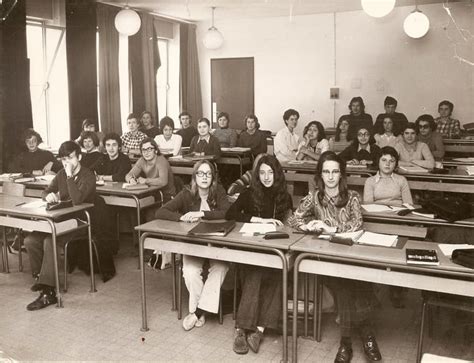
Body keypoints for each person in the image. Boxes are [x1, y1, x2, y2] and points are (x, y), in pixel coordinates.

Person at [289, 151, 382, 363]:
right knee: (345, 284)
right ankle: (366, 337)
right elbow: (292, 219)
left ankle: (346, 342)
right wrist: (307, 225)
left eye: (335, 172)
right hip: (324, 262)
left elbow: (357, 223)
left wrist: (330, 228)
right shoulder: (314, 198)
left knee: (350, 284)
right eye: (326, 172)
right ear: (320, 175)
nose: (330, 177)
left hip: (351, 259)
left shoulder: (352, 198)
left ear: (341, 175)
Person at [226, 154, 293, 355]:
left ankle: (259, 331)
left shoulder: (284, 196)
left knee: (276, 274)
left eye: (270, 172)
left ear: (277, 174)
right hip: (250, 251)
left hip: (274, 251)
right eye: (262, 173)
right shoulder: (249, 193)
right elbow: (231, 214)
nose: (266, 177)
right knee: (255, 273)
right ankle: (241, 330)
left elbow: (289, 225)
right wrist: (257, 220)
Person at [154, 160, 231, 331]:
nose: (204, 177)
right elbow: (161, 211)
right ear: (194, 176)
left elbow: (227, 212)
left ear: (213, 177)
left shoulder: (218, 191)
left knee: (220, 268)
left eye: (208, 174)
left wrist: (202, 213)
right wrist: (180, 217)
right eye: (200, 173)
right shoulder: (186, 193)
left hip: (216, 245)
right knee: (189, 271)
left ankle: (196, 313)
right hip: (193, 245)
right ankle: (202, 312)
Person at [24, 141, 96, 311]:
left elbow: (78, 200)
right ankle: (42, 279)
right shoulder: (61, 174)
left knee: (50, 241)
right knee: (30, 240)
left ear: (79, 157)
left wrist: (70, 176)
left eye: (70, 158)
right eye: (63, 159)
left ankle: (49, 293)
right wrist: (47, 196)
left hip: (80, 221)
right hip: (60, 218)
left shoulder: (88, 175)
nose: (66, 163)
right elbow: (45, 191)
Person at [125, 138, 176, 203]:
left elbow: (163, 181)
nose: (146, 153)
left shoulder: (161, 160)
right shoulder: (142, 160)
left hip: (166, 196)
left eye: (149, 149)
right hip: (152, 193)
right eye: (143, 150)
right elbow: (128, 175)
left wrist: (145, 180)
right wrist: (131, 179)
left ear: (156, 150)